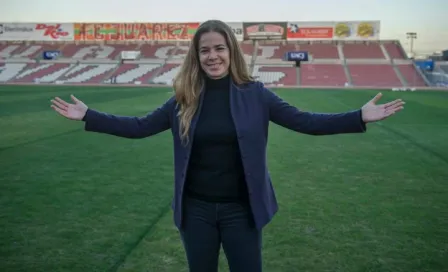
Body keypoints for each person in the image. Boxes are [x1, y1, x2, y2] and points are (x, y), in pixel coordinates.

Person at [50, 20, 405, 272]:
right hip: (196, 213)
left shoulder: (256, 94)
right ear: (197, 56)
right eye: (204, 50)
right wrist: (89, 116)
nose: (212, 56)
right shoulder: (183, 98)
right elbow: (140, 127)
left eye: (219, 48)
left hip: (242, 211)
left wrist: (358, 116)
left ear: (231, 51)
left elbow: (306, 122)